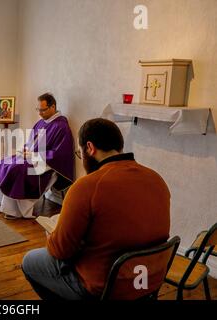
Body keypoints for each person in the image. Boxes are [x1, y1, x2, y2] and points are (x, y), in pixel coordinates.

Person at [21, 118, 171, 300]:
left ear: (90, 148)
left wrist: (51, 235)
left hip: (106, 286)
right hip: (150, 279)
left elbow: (61, 250)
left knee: (30, 260)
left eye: (79, 152)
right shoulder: (157, 179)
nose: (81, 157)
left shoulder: (87, 186)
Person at [0, 93, 74, 219]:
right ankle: (2, 202)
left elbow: (60, 154)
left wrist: (34, 155)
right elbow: (30, 143)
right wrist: (25, 150)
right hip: (30, 157)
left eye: (43, 110)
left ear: (53, 107)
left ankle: (13, 210)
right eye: (38, 109)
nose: (40, 113)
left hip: (45, 164)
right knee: (4, 162)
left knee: (16, 169)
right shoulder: (40, 123)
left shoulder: (61, 127)